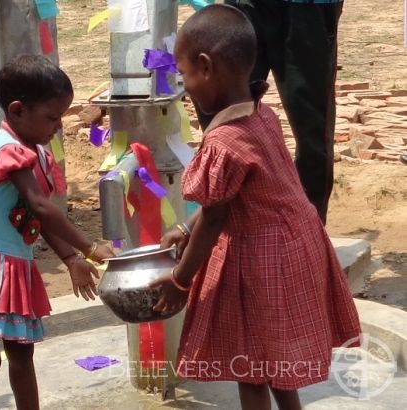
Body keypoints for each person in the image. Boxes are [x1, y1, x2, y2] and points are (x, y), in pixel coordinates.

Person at [151, 6, 361, 410]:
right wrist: (183, 228)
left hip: (266, 260)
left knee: (249, 369)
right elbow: (226, 198)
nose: (185, 87)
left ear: (206, 67)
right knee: (273, 363)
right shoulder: (260, 114)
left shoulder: (224, 141)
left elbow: (215, 216)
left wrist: (180, 281)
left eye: (184, 76)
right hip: (296, 244)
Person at [0, 54, 114, 410]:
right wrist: (89, 247)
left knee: (22, 357)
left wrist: (71, 258)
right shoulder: (7, 152)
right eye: (52, 117)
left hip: (11, 264)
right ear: (17, 111)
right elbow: (43, 208)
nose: (59, 126)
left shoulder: (32, 150)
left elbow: (38, 216)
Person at [195, 0, 343, 224]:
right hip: (246, 6)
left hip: (306, 9)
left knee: (312, 130)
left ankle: (308, 229)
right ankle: (227, 224)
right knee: (221, 114)